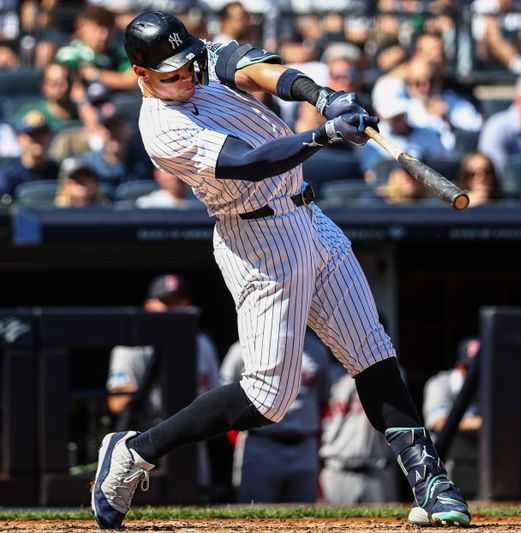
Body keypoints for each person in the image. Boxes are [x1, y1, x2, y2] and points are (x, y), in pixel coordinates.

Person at [91, 11, 470, 530]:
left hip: (308, 217)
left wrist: (322, 95)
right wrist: (324, 135)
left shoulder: (199, 60)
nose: (184, 78)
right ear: (141, 74)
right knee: (268, 398)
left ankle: (432, 484)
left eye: (187, 66)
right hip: (258, 240)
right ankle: (136, 449)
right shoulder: (161, 128)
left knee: (372, 352)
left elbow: (257, 71)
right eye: (169, 74)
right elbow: (252, 162)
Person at [106, 274, 221, 494]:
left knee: (196, 503)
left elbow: (216, 395)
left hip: (191, 441)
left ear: (188, 305)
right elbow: (116, 403)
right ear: (149, 306)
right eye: (165, 302)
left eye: (178, 301)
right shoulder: (131, 347)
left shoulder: (202, 344)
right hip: (147, 438)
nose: (172, 308)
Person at [219, 331, 330, 503]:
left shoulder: (317, 349)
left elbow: (322, 404)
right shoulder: (242, 349)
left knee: (305, 520)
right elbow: (225, 403)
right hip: (260, 445)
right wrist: (239, 441)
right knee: (254, 518)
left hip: (304, 446)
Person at [423, 336, 521, 433]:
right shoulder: (440, 384)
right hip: (445, 457)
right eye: (470, 369)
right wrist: (498, 423)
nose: (475, 375)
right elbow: (440, 423)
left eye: (482, 369)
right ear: (459, 366)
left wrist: (474, 423)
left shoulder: (500, 384)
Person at [320, 363, 399, 505]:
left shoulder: (386, 371)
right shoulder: (329, 375)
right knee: (334, 524)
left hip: (376, 468)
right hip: (337, 467)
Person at [358, 98, 448, 183]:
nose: (399, 118)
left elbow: (443, 168)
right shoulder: (373, 140)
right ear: (379, 114)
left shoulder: (429, 133)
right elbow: (370, 177)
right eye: (394, 117)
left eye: (401, 114)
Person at [54, 5, 138, 91]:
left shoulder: (118, 55)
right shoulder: (69, 52)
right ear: (82, 27)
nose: (104, 36)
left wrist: (95, 74)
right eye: (98, 29)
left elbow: (132, 81)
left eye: (109, 29)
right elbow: (67, 79)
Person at [0, 110, 59, 198]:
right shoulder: (7, 175)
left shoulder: (59, 172)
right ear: (19, 139)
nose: (38, 140)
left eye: (43, 134)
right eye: (32, 135)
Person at [135, 168, 205, 209]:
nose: (175, 177)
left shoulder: (203, 203)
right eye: (169, 171)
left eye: (180, 170)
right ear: (157, 174)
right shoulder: (147, 205)